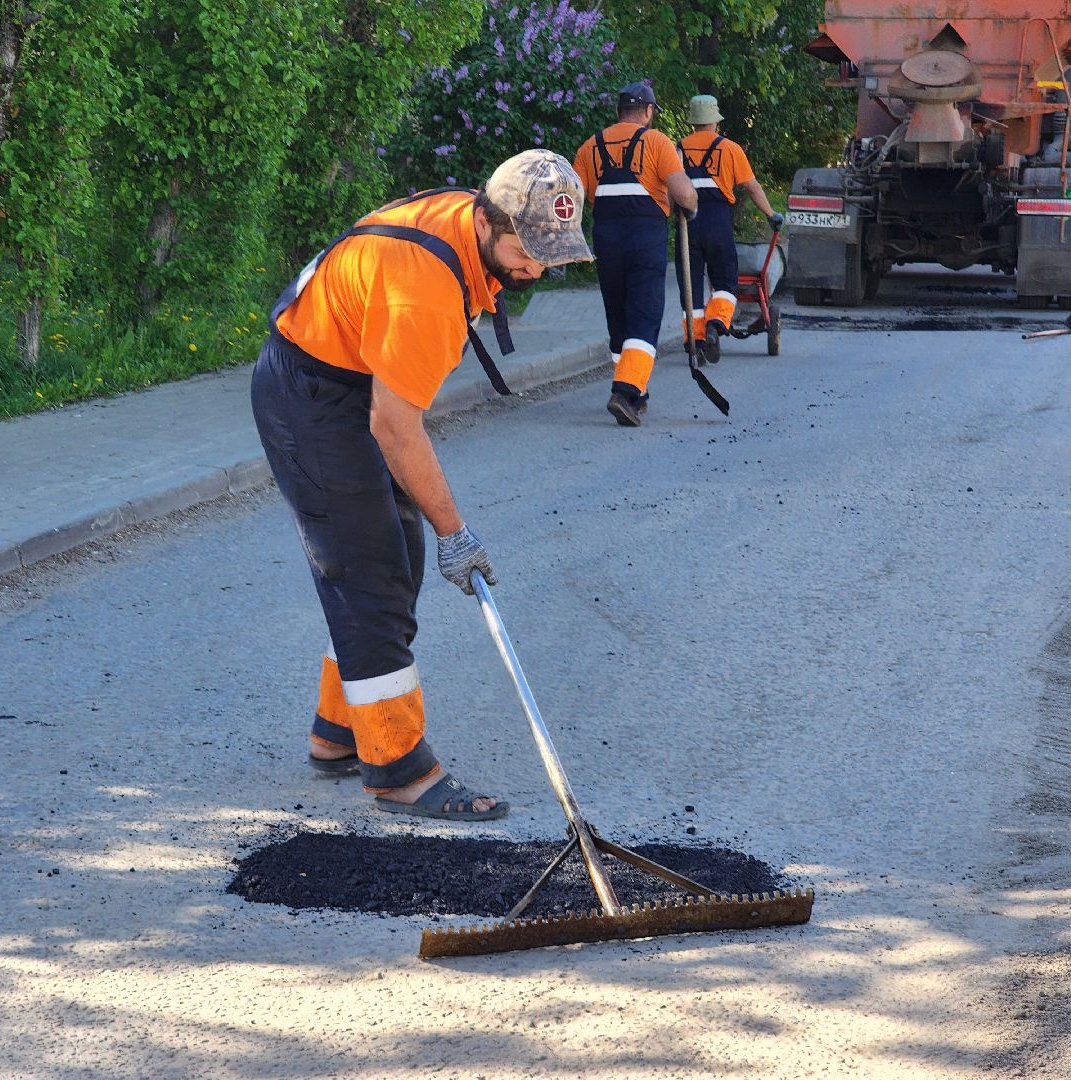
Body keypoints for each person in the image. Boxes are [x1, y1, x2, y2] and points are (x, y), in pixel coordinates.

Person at [251, 149, 593, 823]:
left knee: (392, 563)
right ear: (491, 221)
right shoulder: (428, 286)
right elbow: (397, 427)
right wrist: (455, 533)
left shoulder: (463, 226)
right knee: (371, 574)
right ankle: (398, 771)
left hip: (343, 381)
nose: (538, 269)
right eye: (529, 251)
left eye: (552, 253)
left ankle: (339, 731)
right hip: (314, 396)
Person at [573, 81, 698, 427]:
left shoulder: (589, 148)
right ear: (647, 112)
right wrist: (691, 207)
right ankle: (626, 391)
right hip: (645, 239)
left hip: (606, 239)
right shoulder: (657, 142)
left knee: (619, 316)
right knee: (644, 314)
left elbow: (574, 198)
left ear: (618, 111)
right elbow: (684, 194)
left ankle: (636, 392)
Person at [676, 94, 783, 360]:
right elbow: (752, 187)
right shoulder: (730, 149)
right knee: (724, 280)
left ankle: (695, 343)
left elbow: (667, 189)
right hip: (718, 222)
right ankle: (715, 325)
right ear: (715, 122)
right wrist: (771, 214)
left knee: (690, 287)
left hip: (687, 224)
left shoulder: (676, 149)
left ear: (693, 122)